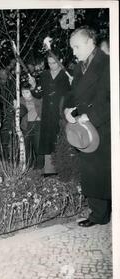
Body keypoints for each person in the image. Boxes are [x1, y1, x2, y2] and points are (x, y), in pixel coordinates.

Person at [64, 27, 111, 227]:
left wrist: (90, 116)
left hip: (104, 126)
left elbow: (111, 100)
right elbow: (74, 95)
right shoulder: (78, 67)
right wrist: (68, 110)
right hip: (86, 130)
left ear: (90, 42)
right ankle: (98, 215)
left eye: (76, 46)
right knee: (91, 172)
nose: (73, 52)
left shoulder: (108, 63)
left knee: (106, 171)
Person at [29, 53, 71, 176]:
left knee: (62, 139)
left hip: (62, 113)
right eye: (49, 63)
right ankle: (49, 170)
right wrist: (33, 86)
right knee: (48, 139)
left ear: (60, 60)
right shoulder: (44, 75)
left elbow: (75, 93)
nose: (52, 66)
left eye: (54, 63)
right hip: (47, 113)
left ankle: (64, 169)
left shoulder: (68, 74)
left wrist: (73, 83)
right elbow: (38, 94)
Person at [18, 83, 43, 169]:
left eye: (27, 92)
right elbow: (19, 113)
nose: (24, 95)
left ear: (31, 92)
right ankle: (28, 164)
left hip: (37, 124)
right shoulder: (19, 100)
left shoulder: (38, 99)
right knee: (26, 146)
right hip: (26, 125)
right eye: (23, 92)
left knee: (38, 146)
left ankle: (40, 166)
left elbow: (42, 111)